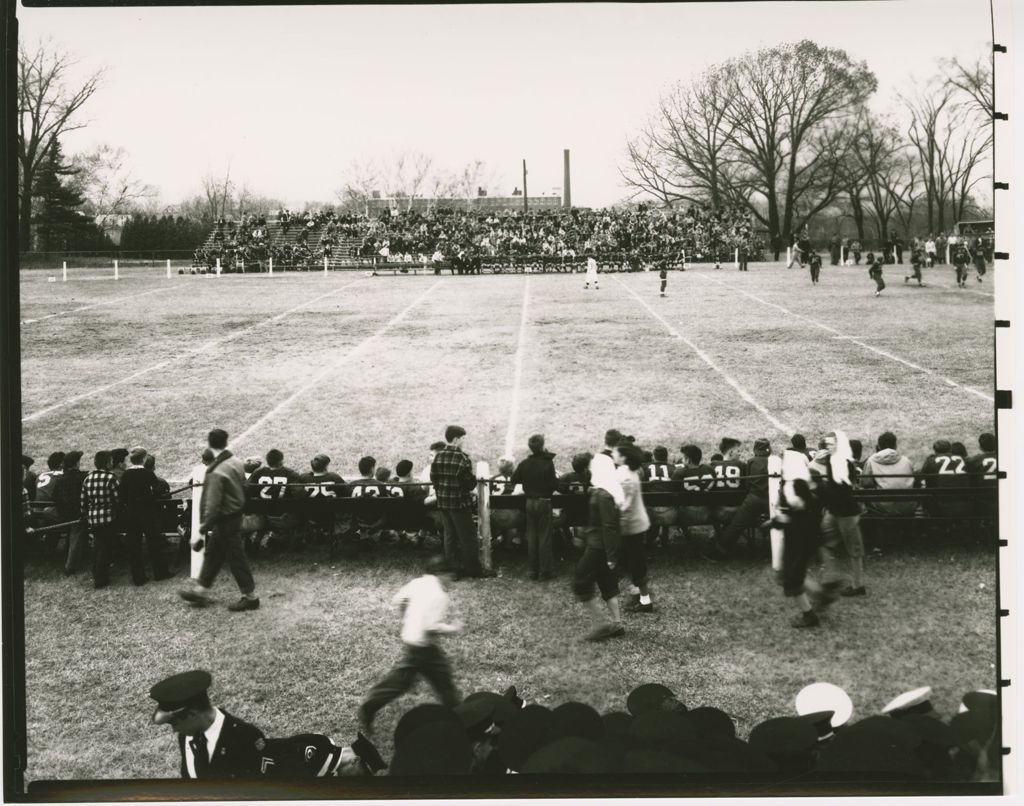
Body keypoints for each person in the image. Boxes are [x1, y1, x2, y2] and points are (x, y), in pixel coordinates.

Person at [358, 556, 463, 735]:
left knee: (403, 681)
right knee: (443, 681)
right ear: (440, 574)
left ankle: (371, 704)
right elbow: (430, 627)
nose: (451, 581)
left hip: (411, 641)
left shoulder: (418, 583)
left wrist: (408, 619)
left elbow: (398, 600)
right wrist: (452, 628)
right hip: (424, 647)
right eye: (449, 576)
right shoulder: (440, 596)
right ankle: (461, 718)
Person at [179, 429, 258, 612]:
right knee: (214, 554)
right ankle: (201, 591)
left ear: (209, 443)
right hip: (235, 515)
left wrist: (201, 531)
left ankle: (251, 597)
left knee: (236, 558)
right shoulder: (237, 462)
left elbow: (212, 505)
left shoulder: (216, 471)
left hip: (224, 519)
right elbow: (244, 488)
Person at [149, 670, 265, 779]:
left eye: (175, 723)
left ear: (192, 714)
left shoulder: (246, 737)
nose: (174, 730)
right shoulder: (186, 736)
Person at [573, 454, 624, 642]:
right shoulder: (605, 490)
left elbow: (609, 525)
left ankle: (601, 624)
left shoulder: (603, 494)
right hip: (599, 544)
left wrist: (611, 555)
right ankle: (617, 624)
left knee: (580, 581)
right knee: (606, 582)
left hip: (599, 547)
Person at [431, 425, 493, 578]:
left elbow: (434, 478)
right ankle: (474, 570)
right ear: (456, 439)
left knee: (449, 535)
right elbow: (470, 484)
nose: (464, 442)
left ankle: (453, 569)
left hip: (443, 503)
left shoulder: (438, 456)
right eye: (463, 439)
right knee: (468, 538)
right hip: (459, 503)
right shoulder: (463, 458)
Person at [774, 449, 824, 628]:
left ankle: (809, 615)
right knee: (793, 574)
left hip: (797, 539)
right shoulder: (805, 484)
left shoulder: (791, 487)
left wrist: (776, 521)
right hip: (804, 538)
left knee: (792, 578)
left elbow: (791, 513)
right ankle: (822, 594)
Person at [819, 431, 866, 598]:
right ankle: (833, 576)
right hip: (838, 510)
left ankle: (857, 585)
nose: (828, 447)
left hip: (845, 512)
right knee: (823, 541)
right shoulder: (837, 461)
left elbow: (839, 490)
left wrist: (821, 489)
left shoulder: (840, 463)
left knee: (853, 549)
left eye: (831, 444)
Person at [706, 438, 771, 559]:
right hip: (737, 510)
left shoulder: (711, 466)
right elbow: (748, 487)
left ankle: (718, 537)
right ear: (731, 452)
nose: (740, 453)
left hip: (716, 512)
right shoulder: (742, 466)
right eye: (738, 451)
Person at [119, 447, 173, 585]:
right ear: (143, 459)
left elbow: (122, 495)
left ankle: (138, 577)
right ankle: (160, 572)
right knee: (154, 543)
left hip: (131, 514)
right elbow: (156, 491)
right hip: (147, 513)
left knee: (134, 546)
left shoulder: (126, 475)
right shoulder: (148, 474)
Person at [510, 434, 558, 581]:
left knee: (532, 537)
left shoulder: (525, 463)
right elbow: (554, 485)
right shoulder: (547, 463)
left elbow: (514, 479)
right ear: (543, 446)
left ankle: (533, 571)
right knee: (544, 537)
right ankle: (545, 571)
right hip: (543, 502)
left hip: (530, 503)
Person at [613, 443, 653, 613]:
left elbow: (625, 506)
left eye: (616, 452)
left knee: (636, 563)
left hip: (632, 526)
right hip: (633, 524)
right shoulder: (625, 471)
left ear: (624, 457)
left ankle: (645, 601)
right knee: (631, 561)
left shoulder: (627, 477)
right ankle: (639, 591)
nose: (613, 454)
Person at [80, 451, 120, 589]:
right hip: (108, 517)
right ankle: (100, 577)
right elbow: (117, 498)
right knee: (105, 547)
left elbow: (83, 500)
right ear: (108, 463)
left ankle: (96, 572)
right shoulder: (110, 477)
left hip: (93, 517)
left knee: (97, 545)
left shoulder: (88, 478)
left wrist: (86, 514)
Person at [859, 432, 916, 516]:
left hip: (883, 509)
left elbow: (865, 483)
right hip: (907, 507)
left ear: (879, 446)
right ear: (895, 446)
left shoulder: (871, 461)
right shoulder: (906, 461)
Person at [53, 451, 87, 576]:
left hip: (62, 514)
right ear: (76, 464)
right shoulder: (82, 477)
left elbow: (55, 498)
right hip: (77, 515)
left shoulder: (60, 479)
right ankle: (70, 566)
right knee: (76, 534)